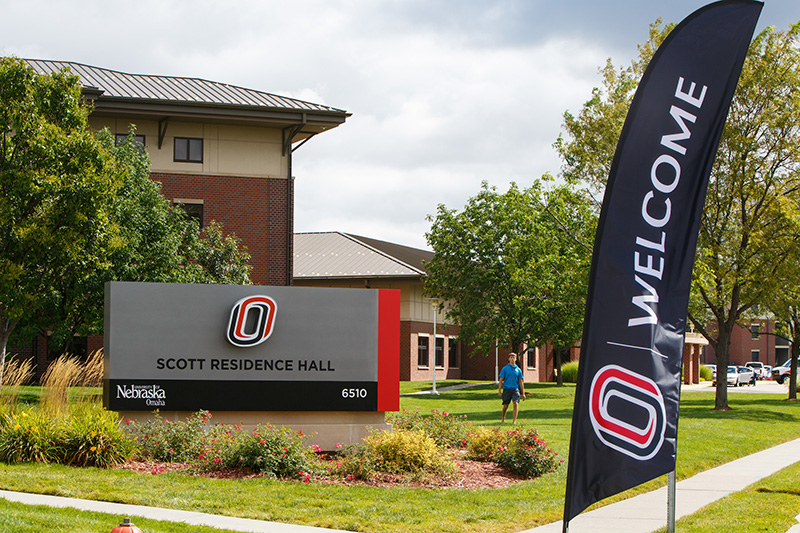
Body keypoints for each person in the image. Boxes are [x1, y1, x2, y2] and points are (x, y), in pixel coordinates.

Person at [498, 352, 526, 423]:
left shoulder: (518, 370)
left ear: (516, 359)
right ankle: (503, 417)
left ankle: (514, 421)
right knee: (505, 406)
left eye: (514, 357)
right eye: (511, 357)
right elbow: (501, 380)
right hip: (507, 389)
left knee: (515, 403)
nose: (512, 359)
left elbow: (521, 382)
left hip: (515, 390)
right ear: (508, 359)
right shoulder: (505, 369)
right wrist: (499, 391)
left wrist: (523, 393)